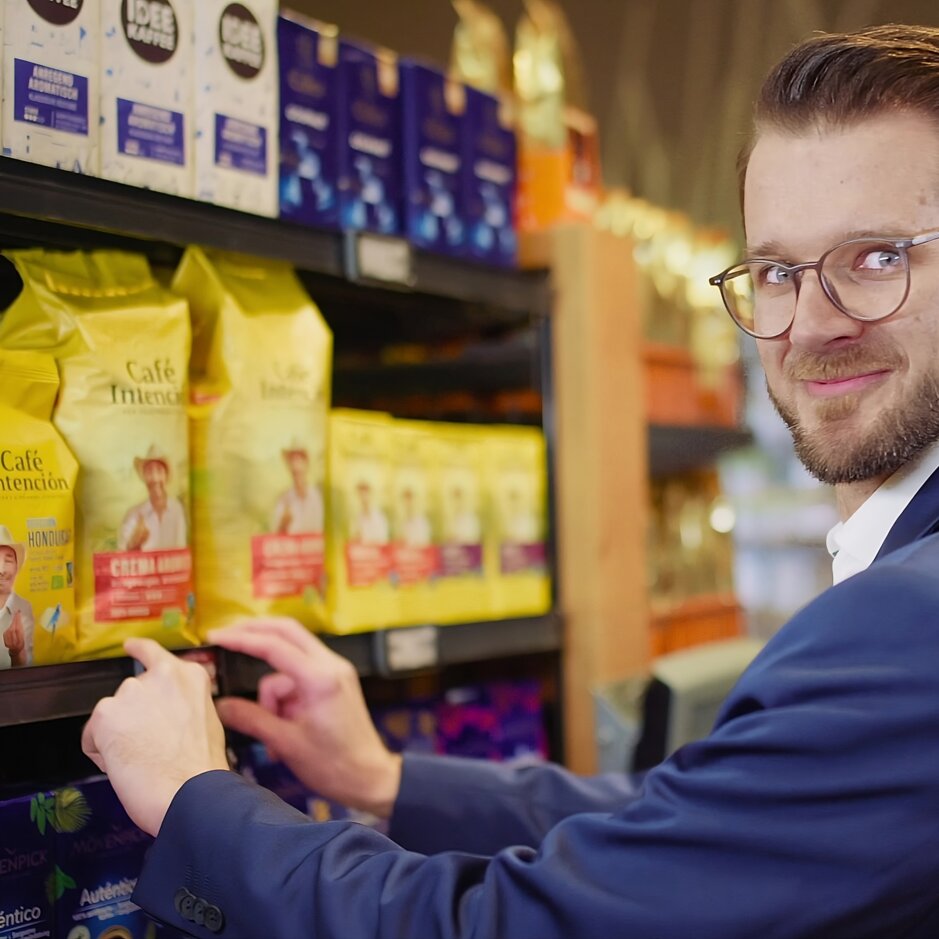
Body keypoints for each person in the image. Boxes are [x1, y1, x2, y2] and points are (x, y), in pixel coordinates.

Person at [82, 24, 939, 938]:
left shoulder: (903, 621)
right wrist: (386, 777)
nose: (811, 321)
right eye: (775, 271)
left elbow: (518, 926)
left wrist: (193, 798)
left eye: (876, 258)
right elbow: (699, 830)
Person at [118, 445, 187, 552]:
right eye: (149, 471)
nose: (155, 478)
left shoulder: (177, 509)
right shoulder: (133, 515)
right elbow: (120, 554)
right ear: (144, 477)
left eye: (159, 471)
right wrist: (133, 543)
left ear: (166, 476)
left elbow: (182, 549)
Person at [270, 444, 325, 535]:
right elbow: (275, 537)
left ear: (306, 464)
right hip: (293, 548)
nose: (295, 465)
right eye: (292, 460)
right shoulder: (283, 499)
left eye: (299, 459)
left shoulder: (318, 496)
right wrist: (283, 524)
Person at [0, 525, 33, 668]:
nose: (1, 571)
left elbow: (28, 671)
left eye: (8, 561)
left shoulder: (23, 608)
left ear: (16, 567)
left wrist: (17, 651)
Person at [351, 479, 390, 545]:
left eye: (364, 494)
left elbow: (383, 540)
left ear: (370, 494)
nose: (362, 497)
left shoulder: (379, 517)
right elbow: (355, 537)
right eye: (360, 494)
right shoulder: (358, 517)